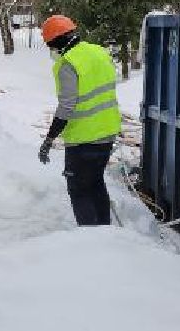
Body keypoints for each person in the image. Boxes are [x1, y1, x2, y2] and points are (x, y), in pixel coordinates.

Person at [35, 14, 122, 226]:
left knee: (79, 190)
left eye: (50, 45)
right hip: (107, 133)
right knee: (96, 183)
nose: (51, 50)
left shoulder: (68, 63)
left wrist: (49, 139)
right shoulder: (99, 52)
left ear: (57, 40)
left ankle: (89, 241)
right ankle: (106, 234)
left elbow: (66, 105)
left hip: (83, 140)